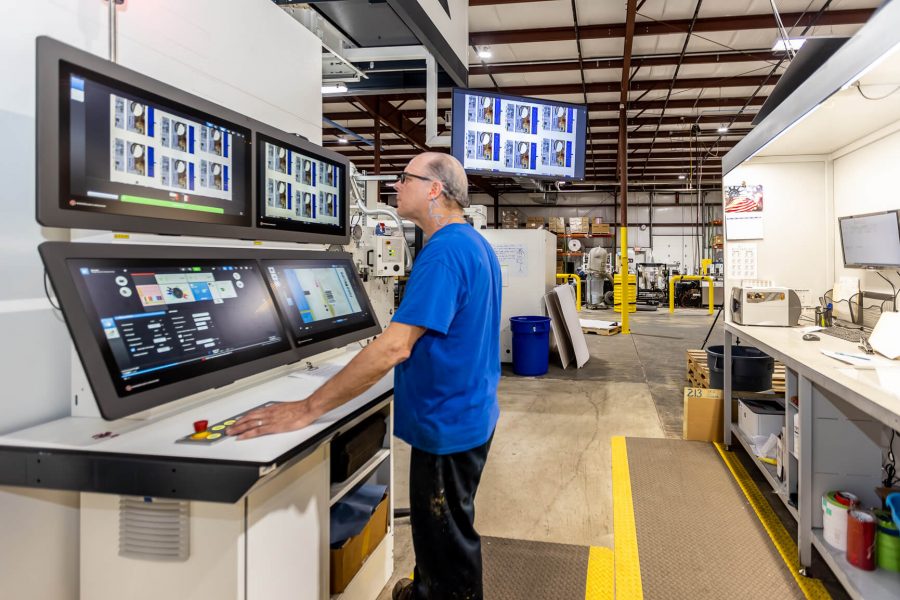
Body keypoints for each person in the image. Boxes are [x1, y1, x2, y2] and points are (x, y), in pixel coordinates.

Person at [226, 152, 502, 600]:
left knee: (447, 538)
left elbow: (395, 345)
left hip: (448, 424)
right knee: (442, 531)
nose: (395, 186)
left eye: (404, 178)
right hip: (469, 412)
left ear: (434, 189)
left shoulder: (446, 252)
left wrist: (308, 407)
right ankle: (426, 589)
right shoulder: (472, 244)